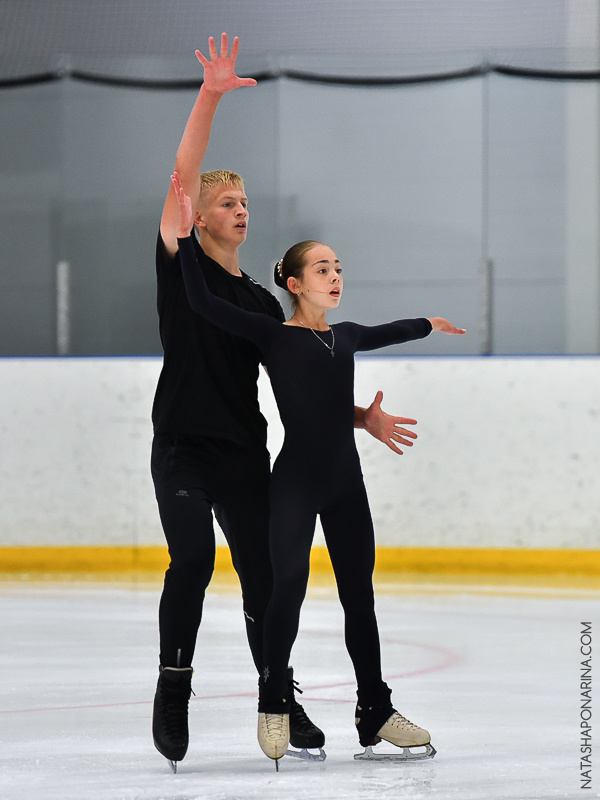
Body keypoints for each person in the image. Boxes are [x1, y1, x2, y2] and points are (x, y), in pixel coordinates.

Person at [151, 34, 422, 772]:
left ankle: (283, 695)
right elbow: (183, 175)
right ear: (196, 219)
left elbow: (305, 377)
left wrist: (358, 416)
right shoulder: (182, 269)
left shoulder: (263, 306)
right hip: (181, 444)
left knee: (267, 580)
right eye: (225, 203)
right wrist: (209, 96)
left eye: (244, 202)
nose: (240, 210)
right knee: (193, 561)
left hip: (245, 449)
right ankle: (174, 684)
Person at [171, 170, 466, 767]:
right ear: (294, 282)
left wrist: (428, 325)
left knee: (361, 596)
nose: (334, 276)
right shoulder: (272, 335)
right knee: (289, 590)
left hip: (345, 484)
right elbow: (201, 302)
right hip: (297, 483)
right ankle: (274, 697)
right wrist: (179, 243)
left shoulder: (348, 336)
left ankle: (374, 711)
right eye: (322, 269)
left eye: (338, 268)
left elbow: (393, 330)